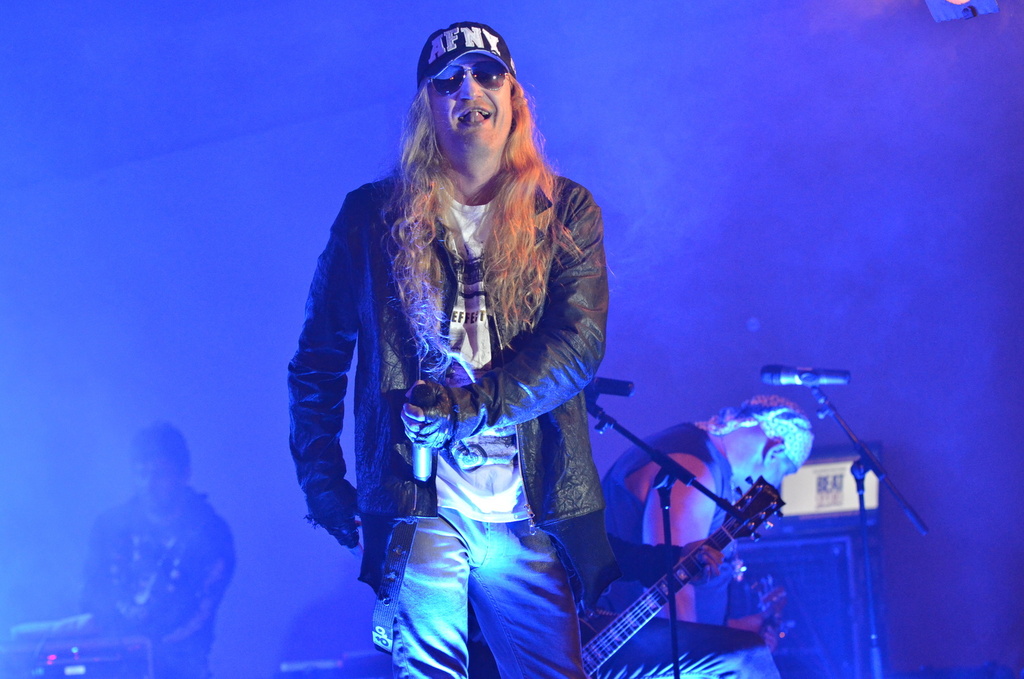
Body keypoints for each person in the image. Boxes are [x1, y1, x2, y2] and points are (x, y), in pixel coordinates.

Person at [288, 21, 618, 679]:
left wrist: (468, 408)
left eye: (486, 73)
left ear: (513, 96)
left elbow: (578, 345)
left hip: (529, 506)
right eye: (448, 80)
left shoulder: (565, 210)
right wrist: (321, 478)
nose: (469, 88)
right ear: (428, 108)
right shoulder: (371, 217)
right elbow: (318, 359)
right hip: (421, 499)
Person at [596, 395, 814, 679]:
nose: (775, 484)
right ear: (775, 451)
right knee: (751, 662)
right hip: (618, 647)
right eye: (783, 474)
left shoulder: (699, 456)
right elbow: (673, 598)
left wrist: (735, 629)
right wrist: (698, 661)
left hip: (638, 643)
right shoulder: (696, 467)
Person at [9, 423, 235, 679]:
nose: (149, 485)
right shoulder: (110, 527)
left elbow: (198, 612)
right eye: (141, 474)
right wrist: (116, 633)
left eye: (160, 474)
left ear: (184, 474)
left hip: (180, 668)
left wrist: (145, 639)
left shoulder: (209, 533)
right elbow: (92, 592)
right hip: (112, 664)